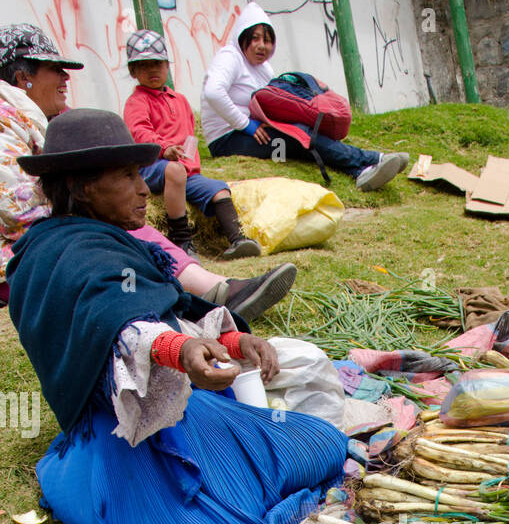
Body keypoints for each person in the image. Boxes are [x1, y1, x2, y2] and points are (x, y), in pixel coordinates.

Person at [7, 109, 349, 524]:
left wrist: (233, 339)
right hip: (128, 431)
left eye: (138, 174)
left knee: (326, 444)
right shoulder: (61, 256)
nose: (144, 189)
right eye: (126, 177)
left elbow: (167, 309)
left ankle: (241, 476)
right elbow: (125, 330)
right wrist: (181, 351)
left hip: (182, 406)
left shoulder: (113, 242)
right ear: (83, 188)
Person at [0, 23, 295, 320]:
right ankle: (205, 294)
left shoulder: (46, 118)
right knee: (117, 240)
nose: (65, 77)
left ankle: (212, 288)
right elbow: (17, 210)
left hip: (56, 245)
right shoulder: (4, 122)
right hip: (25, 264)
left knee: (130, 225)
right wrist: (89, 218)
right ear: (23, 77)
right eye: (54, 69)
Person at [201, 3, 409, 191]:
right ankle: (372, 160)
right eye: (254, 38)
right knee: (297, 139)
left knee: (303, 131)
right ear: (242, 36)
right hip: (226, 139)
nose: (262, 45)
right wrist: (246, 125)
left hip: (252, 131)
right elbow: (213, 92)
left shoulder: (263, 69)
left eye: (267, 40)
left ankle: (362, 170)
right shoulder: (230, 57)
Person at [124, 28, 260, 260]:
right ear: (133, 71)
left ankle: (238, 239)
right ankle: (182, 240)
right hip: (152, 168)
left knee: (219, 188)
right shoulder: (136, 101)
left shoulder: (180, 100)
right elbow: (138, 132)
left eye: (157, 63)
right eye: (144, 65)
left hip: (183, 171)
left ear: (167, 66)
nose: (152, 69)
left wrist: (190, 165)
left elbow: (189, 136)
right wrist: (164, 149)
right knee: (175, 171)